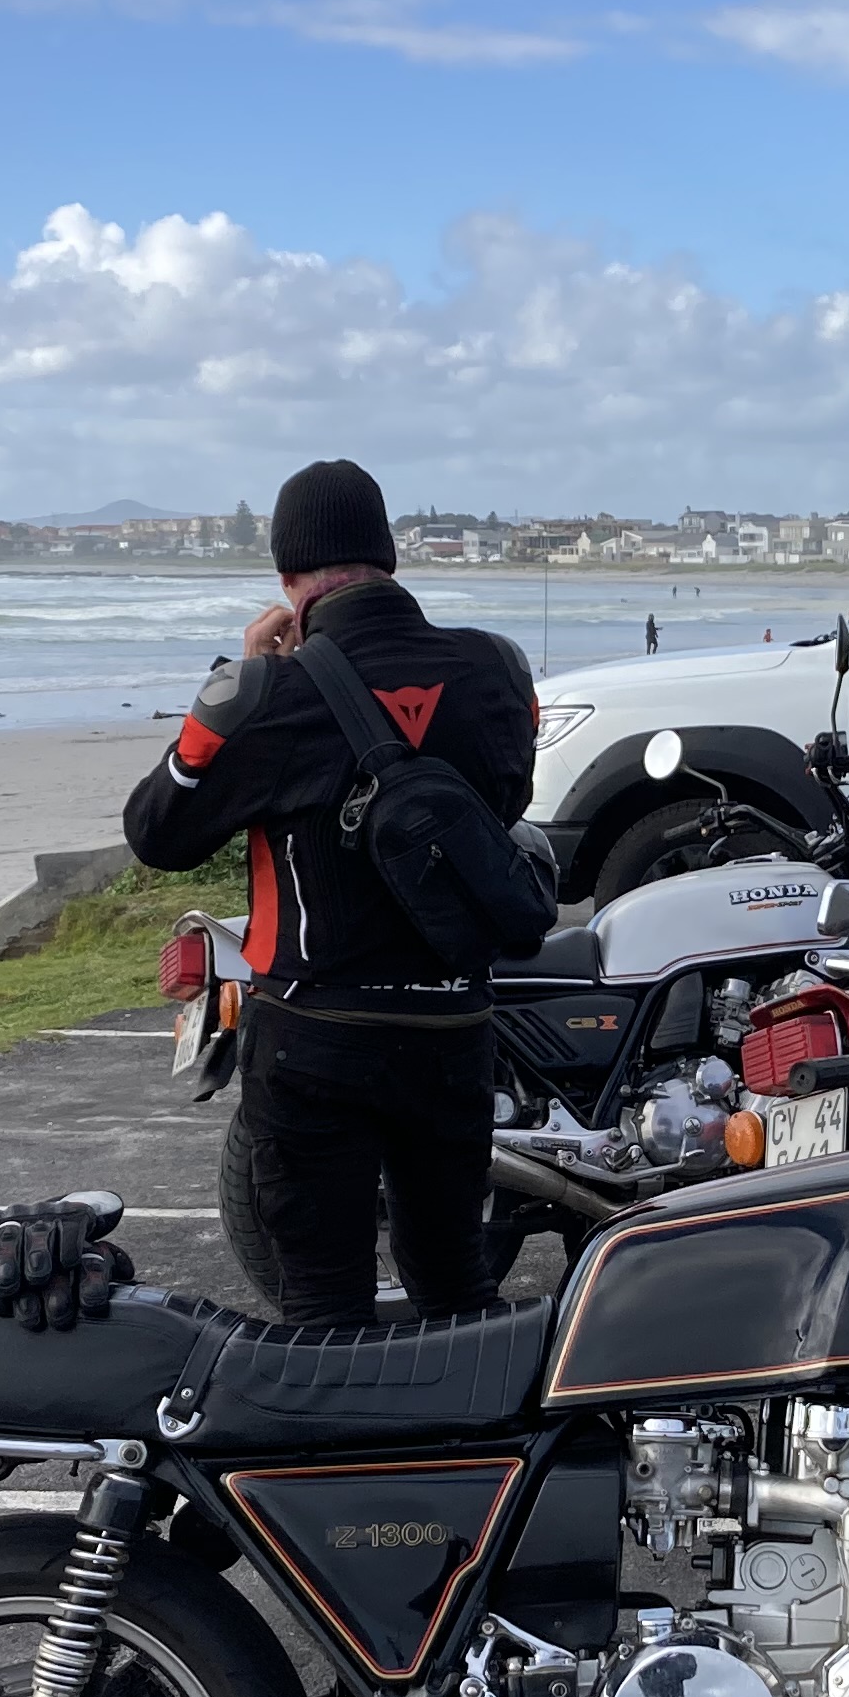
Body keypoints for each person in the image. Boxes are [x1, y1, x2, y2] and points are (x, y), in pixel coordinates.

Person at [126, 459, 537, 1321]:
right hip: (454, 1028)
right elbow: (505, 803)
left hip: (315, 1034)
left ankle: (348, 1415)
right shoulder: (498, 668)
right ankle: (477, 1409)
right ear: (390, 558)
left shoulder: (267, 691)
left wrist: (241, 682)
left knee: (323, 1303)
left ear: (287, 579)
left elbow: (158, 833)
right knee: (457, 1285)